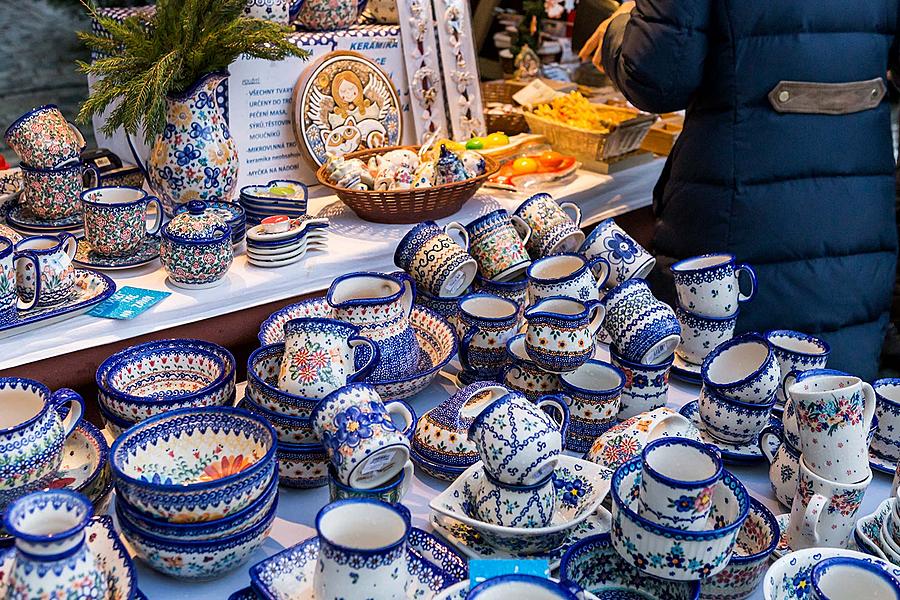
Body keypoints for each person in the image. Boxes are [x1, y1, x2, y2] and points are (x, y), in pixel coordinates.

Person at [580, 1, 899, 380]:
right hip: (855, 219)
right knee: (832, 402)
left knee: (710, 405)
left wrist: (620, 27)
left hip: (735, 215)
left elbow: (660, 73)